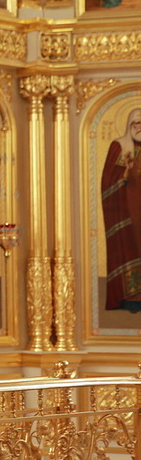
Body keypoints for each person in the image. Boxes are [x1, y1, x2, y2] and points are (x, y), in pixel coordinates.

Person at [101, 108, 141, 311]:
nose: (139, 128)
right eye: (136, 123)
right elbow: (109, 180)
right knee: (129, 250)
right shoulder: (119, 147)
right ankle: (131, 299)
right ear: (129, 125)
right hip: (127, 213)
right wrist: (125, 173)